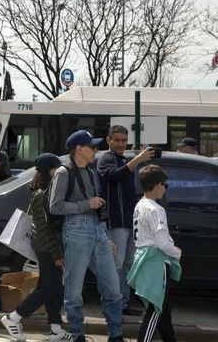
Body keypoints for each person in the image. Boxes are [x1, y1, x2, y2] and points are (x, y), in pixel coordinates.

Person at [49, 130, 124, 342]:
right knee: (74, 289)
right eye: (92, 146)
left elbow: (97, 209)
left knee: (113, 288)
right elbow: (54, 207)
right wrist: (86, 205)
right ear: (79, 149)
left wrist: (105, 235)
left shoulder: (91, 172)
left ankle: (115, 334)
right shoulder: (64, 173)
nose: (96, 150)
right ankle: (77, 334)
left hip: (97, 229)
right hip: (77, 229)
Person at [1, 153, 71, 342]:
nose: (61, 172)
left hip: (49, 247)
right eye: (57, 168)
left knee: (52, 288)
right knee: (48, 289)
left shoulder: (50, 190)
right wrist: (56, 253)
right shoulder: (42, 194)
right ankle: (13, 317)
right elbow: (43, 228)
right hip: (47, 248)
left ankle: (56, 329)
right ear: (49, 170)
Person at [97, 125, 155, 317]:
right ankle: (114, 303)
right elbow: (114, 175)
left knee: (129, 262)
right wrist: (138, 159)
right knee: (117, 263)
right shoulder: (106, 159)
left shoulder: (124, 160)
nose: (121, 144)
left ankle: (122, 301)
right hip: (115, 221)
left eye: (124, 140)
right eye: (117, 140)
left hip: (131, 221)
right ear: (108, 140)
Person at [127, 164, 181, 342]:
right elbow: (162, 242)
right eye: (165, 185)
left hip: (143, 259)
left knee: (163, 310)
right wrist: (176, 253)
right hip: (157, 263)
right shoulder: (157, 209)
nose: (165, 189)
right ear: (158, 185)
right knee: (156, 310)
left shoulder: (139, 205)